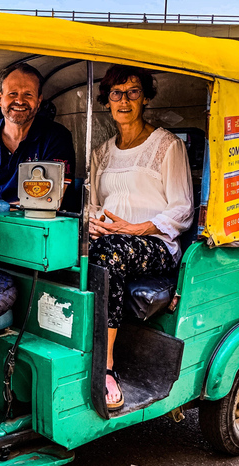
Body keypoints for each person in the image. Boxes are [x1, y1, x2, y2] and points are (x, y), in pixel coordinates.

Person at [88, 65, 193, 410]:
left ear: (145, 98)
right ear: (107, 102)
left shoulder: (167, 146)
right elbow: (93, 206)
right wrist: (94, 223)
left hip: (157, 244)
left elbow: (183, 209)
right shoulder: (101, 154)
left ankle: (106, 367)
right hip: (111, 241)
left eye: (133, 92)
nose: (124, 100)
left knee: (108, 255)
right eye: (116, 93)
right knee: (71, 249)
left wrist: (137, 228)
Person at [0, 63, 78, 211]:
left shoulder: (56, 137)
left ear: (38, 101)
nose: (19, 101)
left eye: (28, 94)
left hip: (43, 226)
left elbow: (49, 201)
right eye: (13, 93)